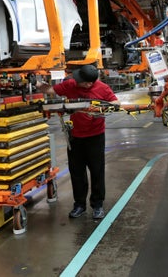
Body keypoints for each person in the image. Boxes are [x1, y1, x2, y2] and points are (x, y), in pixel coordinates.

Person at [37, 64, 119, 220]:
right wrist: (37, 83)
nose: (76, 81)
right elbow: (50, 91)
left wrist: (98, 109)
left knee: (97, 171)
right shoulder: (71, 84)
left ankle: (97, 205)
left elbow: (116, 104)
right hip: (75, 136)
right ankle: (79, 205)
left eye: (80, 80)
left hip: (95, 137)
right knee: (77, 173)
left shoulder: (103, 89)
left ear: (89, 83)